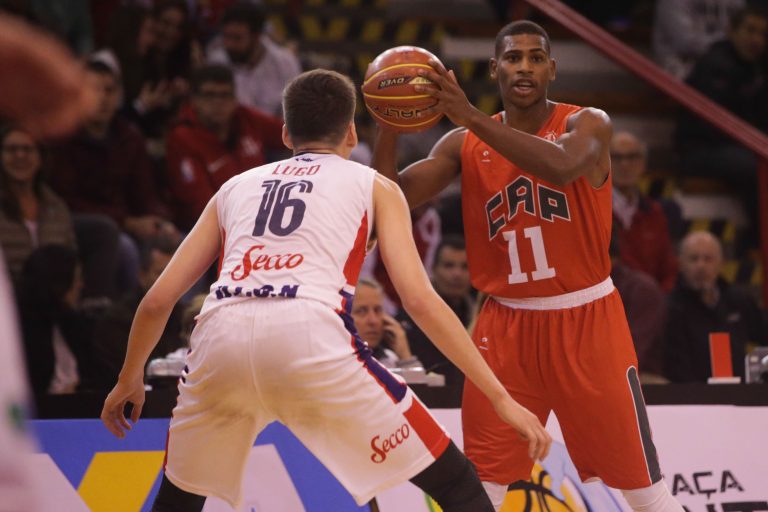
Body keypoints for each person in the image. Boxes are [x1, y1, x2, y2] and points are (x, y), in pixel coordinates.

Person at [101, 69, 551, 512]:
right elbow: (419, 300)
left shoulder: (233, 187)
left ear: (285, 133)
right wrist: (499, 396)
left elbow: (158, 300)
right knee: (455, 482)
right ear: (352, 132)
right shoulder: (374, 185)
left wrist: (129, 376)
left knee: (178, 500)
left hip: (220, 337)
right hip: (308, 333)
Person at [370, 21, 683, 511]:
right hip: (505, 325)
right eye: (513, 58)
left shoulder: (588, 123)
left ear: (552, 69)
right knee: (483, 483)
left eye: (536, 58)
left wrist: (469, 115)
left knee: (641, 488)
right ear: (495, 68)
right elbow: (391, 199)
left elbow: (561, 166)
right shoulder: (462, 144)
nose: (525, 68)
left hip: (586, 320)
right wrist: (387, 125)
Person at [165, 64, 285, 231]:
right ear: (194, 100)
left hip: (260, 217)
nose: (218, 102)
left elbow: (295, 135)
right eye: (209, 95)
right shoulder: (183, 138)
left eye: (225, 95)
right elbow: (201, 205)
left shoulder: (246, 118)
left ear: (235, 98)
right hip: (207, 229)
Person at [663, 231, 767, 382]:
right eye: (693, 259)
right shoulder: (671, 308)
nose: (701, 265)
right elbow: (676, 366)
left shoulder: (738, 300)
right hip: (692, 392)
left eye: (708, 259)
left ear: (720, 263)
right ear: (680, 264)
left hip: (741, 389)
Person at [398, 235, 474, 392]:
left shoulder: (479, 317)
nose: (457, 274)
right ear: (433, 269)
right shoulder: (411, 318)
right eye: (449, 266)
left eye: (465, 267)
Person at [207, 2, 302, 117]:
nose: (229, 44)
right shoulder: (216, 62)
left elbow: (295, 111)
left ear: (256, 37)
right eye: (226, 37)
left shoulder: (285, 62)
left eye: (237, 38)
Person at [611, 131, 678, 292]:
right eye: (616, 157)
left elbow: (668, 268)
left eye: (632, 157)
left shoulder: (655, 212)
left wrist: (658, 298)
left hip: (652, 300)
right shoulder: (593, 211)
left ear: (643, 163)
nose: (624, 164)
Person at [351, 278, 422, 368]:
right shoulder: (335, 361)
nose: (373, 320)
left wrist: (405, 355)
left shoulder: (390, 359)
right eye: (361, 311)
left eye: (377, 310)